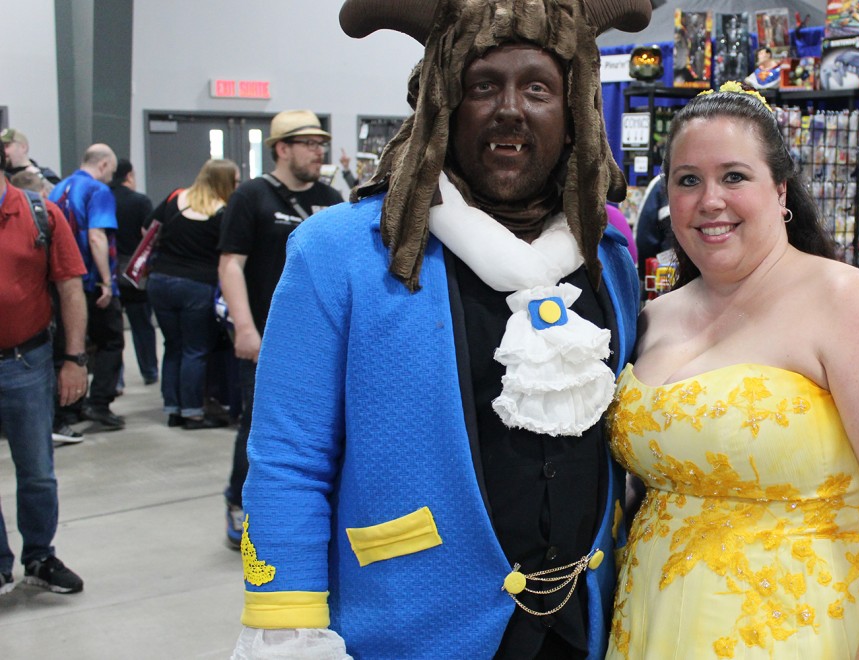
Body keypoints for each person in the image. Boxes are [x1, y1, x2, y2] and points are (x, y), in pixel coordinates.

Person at [231, 0, 650, 657]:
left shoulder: (607, 258)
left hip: (581, 624)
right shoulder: (338, 253)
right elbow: (290, 458)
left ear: (575, 113)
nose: (510, 108)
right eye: (483, 86)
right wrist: (287, 625)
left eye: (537, 88)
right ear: (442, 104)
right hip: (410, 627)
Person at [607, 83, 859, 658]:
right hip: (654, 622)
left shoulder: (850, 305)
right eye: (688, 180)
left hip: (811, 632)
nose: (710, 200)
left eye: (734, 176)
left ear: (780, 189)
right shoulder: (652, 316)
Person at [216, 110, 343, 548]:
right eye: (308, 143)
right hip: (267, 338)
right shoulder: (251, 196)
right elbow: (231, 265)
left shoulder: (331, 197)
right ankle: (239, 501)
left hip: (321, 339)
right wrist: (245, 328)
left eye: (320, 143)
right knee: (259, 426)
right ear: (282, 149)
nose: (318, 151)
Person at [0, 147, 89, 595]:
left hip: (26, 361)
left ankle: (39, 555)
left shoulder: (40, 213)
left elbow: (71, 289)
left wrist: (74, 360)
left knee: (36, 469)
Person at [148, 159, 238, 430]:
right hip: (197, 286)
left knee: (172, 346)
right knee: (195, 350)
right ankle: (193, 412)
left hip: (159, 281)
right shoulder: (222, 212)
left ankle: (173, 408)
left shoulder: (174, 198)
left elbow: (147, 229)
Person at [48, 144, 126, 431]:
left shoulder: (58, 189)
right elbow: (97, 236)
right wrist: (106, 280)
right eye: (112, 172)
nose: (111, 178)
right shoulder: (98, 191)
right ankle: (99, 403)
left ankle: (69, 408)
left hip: (62, 282)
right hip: (90, 281)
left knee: (69, 345)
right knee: (111, 342)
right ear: (103, 165)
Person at [110, 159, 158, 387]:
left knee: (113, 330)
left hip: (110, 271)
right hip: (136, 273)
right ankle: (149, 371)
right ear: (129, 175)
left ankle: (116, 379)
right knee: (142, 326)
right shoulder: (140, 201)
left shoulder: (103, 198)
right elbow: (150, 234)